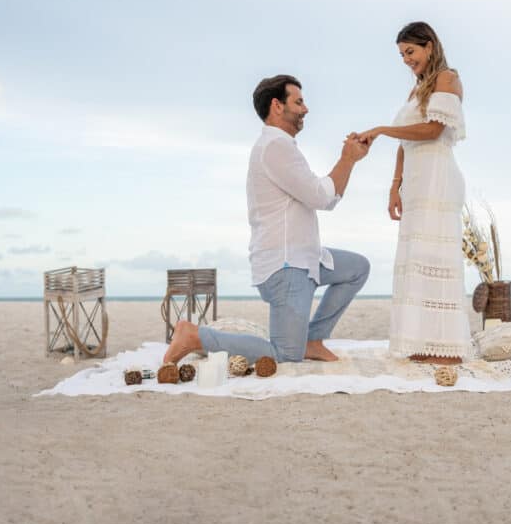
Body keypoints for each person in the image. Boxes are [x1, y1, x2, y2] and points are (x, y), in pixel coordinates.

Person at [163, 74, 372, 365]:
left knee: (357, 268)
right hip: (286, 268)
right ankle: (195, 336)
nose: (306, 109)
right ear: (277, 105)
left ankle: (312, 339)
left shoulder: (281, 146)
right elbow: (321, 197)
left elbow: (329, 196)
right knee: (285, 355)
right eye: (298, 102)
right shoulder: (275, 147)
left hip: (306, 259)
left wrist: (349, 161)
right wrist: (347, 159)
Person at [357, 22, 471, 364]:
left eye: (411, 52)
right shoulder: (417, 90)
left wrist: (380, 129)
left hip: (437, 176)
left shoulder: (446, 78)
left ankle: (447, 348)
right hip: (416, 182)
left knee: (436, 257)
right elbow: (406, 144)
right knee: (416, 259)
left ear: (429, 46)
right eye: (402, 55)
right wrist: (395, 187)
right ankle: (424, 342)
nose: (406, 59)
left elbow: (433, 130)